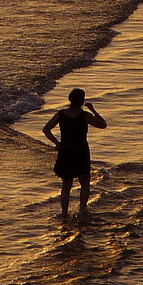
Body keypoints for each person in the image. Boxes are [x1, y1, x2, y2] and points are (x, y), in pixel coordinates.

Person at [41, 88, 106, 219]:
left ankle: (64, 213)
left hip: (66, 151)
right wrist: (93, 110)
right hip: (81, 151)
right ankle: (82, 209)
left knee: (66, 185)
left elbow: (46, 129)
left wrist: (57, 143)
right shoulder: (84, 116)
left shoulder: (61, 114)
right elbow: (103, 125)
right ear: (82, 101)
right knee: (85, 182)